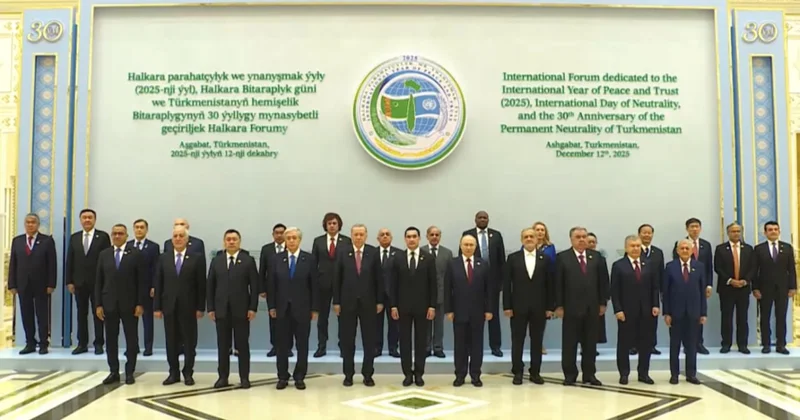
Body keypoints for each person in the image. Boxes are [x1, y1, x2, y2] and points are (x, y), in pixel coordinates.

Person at [555, 226, 609, 386]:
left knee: (590, 344)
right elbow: (557, 283)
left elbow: (604, 282)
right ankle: (570, 375)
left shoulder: (597, 257)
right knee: (569, 344)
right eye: (578, 237)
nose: (581, 240)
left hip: (592, 308)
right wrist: (559, 306)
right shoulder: (562, 257)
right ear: (571, 239)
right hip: (570, 308)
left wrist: (603, 303)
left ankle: (589, 374)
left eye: (584, 237)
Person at [153, 225, 206, 386]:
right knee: (171, 341)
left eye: (181, 236)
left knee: (189, 341)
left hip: (189, 307)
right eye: (175, 236)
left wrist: (200, 307)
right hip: (169, 306)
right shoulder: (163, 258)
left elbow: (201, 284)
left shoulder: (196, 258)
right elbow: (158, 283)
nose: (178, 239)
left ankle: (188, 372)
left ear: (187, 239)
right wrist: (157, 307)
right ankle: (173, 372)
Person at [268, 227, 319, 390]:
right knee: (281, 345)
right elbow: (271, 285)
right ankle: (282, 376)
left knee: (302, 345)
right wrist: (272, 306)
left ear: (299, 240)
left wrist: (314, 308)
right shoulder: (276, 259)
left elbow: (314, 285)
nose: (291, 241)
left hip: (303, 309)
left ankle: (299, 376)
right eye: (288, 238)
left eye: (294, 238)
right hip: (282, 309)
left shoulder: (309, 259)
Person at [207, 229, 259, 389]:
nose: (231, 242)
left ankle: (244, 377)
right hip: (221, 310)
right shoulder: (217, 261)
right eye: (228, 239)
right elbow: (210, 286)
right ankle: (223, 377)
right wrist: (211, 308)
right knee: (223, 346)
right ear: (224, 242)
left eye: (234, 239)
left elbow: (254, 287)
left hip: (242, 311)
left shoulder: (248, 260)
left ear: (239, 241)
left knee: (242, 345)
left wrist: (253, 308)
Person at [95, 224, 146, 385]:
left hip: (130, 305)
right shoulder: (104, 254)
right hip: (109, 304)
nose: (117, 236)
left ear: (126, 236)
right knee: (111, 339)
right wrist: (98, 304)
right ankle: (113, 371)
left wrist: (140, 303)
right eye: (115, 233)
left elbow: (142, 281)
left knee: (131, 339)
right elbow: (99, 281)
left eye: (120, 233)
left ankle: (130, 372)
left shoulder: (135, 254)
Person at [333, 224, 383, 387]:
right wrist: (336, 302)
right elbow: (337, 279)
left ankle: (368, 374)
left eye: (361, 234)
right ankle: (348, 374)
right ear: (351, 235)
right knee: (347, 341)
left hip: (369, 303)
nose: (359, 237)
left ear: (366, 235)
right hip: (347, 303)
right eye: (356, 234)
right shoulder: (342, 252)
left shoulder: (373, 252)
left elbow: (379, 278)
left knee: (369, 341)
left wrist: (380, 301)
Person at [388, 227, 437, 387]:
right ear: (405, 239)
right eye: (408, 237)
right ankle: (407, 374)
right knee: (405, 342)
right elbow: (392, 284)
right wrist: (393, 306)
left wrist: (432, 306)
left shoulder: (428, 258)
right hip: (403, 308)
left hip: (423, 308)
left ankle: (419, 373)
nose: (411, 239)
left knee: (421, 341)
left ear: (419, 238)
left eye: (414, 236)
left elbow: (433, 284)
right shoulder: (398, 258)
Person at [504, 227, 553, 385]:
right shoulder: (513, 258)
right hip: (518, 307)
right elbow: (507, 284)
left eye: (532, 236)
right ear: (521, 240)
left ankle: (535, 372)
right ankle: (517, 371)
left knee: (537, 341)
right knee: (517, 340)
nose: (529, 239)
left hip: (539, 307)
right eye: (526, 236)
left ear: (537, 239)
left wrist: (550, 307)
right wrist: (507, 306)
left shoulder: (545, 259)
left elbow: (550, 284)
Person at [610, 235, 659, 385]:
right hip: (626, 312)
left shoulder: (649, 264)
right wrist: (618, 309)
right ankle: (624, 373)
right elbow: (614, 290)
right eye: (632, 246)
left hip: (646, 311)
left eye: (638, 246)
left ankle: (643, 373)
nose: (636, 248)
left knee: (646, 343)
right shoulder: (619, 265)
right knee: (624, 344)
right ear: (626, 248)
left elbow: (654, 287)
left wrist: (655, 305)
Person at [444, 235, 492, 387]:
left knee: (477, 345)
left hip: (478, 312)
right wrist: (449, 310)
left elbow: (489, 290)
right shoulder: (452, 264)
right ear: (460, 246)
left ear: (475, 246)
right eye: (466, 244)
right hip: (459, 312)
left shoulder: (483, 264)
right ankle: (460, 375)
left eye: (471, 245)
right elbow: (447, 289)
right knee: (460, 346)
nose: (469, 247)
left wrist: (489, 310)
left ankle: (475, 375)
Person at [8, 213, 56, 354]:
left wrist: (51, 284)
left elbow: (52, 264)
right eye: (28, 222)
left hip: (42, 284)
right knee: (26, 314)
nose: (30, 224)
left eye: (33, 222)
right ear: (24, 224)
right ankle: (30, 342)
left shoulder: (47, 241)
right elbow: (13, 263)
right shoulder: (17, 241)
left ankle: (43, 343)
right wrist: (12, 284)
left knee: (42, 314)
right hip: (23, 284)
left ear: (38, 224)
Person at [66, 208, 111, 355]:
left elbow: (108, 260)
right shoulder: (74, 237)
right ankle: (82, 344)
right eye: (84, 217)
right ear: (80, 220)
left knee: (98, 313)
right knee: (81, 314)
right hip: (79, 283)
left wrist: (107, 281)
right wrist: (69, 281)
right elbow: (70, 260)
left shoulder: (102, 237)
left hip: (98, 283)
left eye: (90, 217)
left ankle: (99, 343)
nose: (87, 220)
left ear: (94, 220)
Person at [663, 239, 707, 385]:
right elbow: (666, 292)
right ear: (677, 250)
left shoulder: (699, 266)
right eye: (681, 248)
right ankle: (674, 374)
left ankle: (691, 374)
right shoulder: (670, 267)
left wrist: (703, 313)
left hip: (694, 313)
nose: (684, 251)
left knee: (692, 346)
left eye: (687, 248)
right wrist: (667, 313)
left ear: (692, 250)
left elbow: (702, 292)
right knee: (675, 345)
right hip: (675, 313)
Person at [462, 211, 506, 357]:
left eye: (485, 218)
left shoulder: (496, 235)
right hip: (474, 282)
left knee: (494, 315)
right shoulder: (467, 234)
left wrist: (501, 282)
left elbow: (501, 260)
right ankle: (470, 347)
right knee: (472, 316)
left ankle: (495, 346)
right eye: (480, 218)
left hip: (493, 283)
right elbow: (463, 258)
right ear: (475, 220)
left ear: (488, 220)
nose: (482, 220)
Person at [753, 221, 796, 354]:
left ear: (779, 231)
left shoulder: (787, 248)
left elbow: (791, 269)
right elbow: (755, 270)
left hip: (783, 288)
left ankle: (781, 345)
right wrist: (755, 288)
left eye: (776, 229)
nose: (773, 232)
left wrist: (793, 287)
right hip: (764, 288)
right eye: (770, 229)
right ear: (765, 232)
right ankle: (766, 344)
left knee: (781, 317)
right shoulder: (759, 249)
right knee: (765, 317)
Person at [310, 212, 350, 358]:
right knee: (322, 318)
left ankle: (343, 347)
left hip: (342, 284)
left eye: (334, 223)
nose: (332, 226)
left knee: (343, 318)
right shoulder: (318, 241)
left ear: (339, 225)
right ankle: (321, 346)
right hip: (323, 283)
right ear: (325, 225)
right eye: (329, 223)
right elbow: (313, 264)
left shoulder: (347, 241)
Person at [672, 217, 713, 355]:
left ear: (700, 228)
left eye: (697, 226)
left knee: (699, 315)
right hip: (684, 286)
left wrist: (709, 285)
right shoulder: (680, 244)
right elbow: (676, 266)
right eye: (692, 227)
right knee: (685, 317)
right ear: (687, 229)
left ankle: (698, 343)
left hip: (699, 287)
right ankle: (687, 344)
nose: (695, 229)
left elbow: (709, 267)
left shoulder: (706, 245)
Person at [714, 222, 754, 354]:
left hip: (743, 288)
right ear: (728, 233)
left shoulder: (748, 249)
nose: (736, 233)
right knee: (726, 317)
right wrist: (731, 280)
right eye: (733, 231)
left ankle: (742, 345)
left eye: (738, 231)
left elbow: (753, 267)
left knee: (742, 318)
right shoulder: (720, 249)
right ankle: (726, 344)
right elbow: (718, 267)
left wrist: (745, 280)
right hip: (727, 288)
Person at [259, 223, 292, 358]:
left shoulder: (291, 247)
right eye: (276, 233)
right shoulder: (266, 249)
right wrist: (262, 288)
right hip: (272, 289)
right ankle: (275, 346)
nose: (279, 235)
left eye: (281, 233)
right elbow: (262, 270)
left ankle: (288, 347)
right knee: (273, 319)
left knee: (289, 319)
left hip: (288, 290)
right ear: (273, 235)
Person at [128, 219, 160, 356]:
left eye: (142, 227)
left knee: (147, 320)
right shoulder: (128, 245)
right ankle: (133, 347)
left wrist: (154, 285)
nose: (139, 229)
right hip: (130, 289)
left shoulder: (153, 247)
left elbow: (156, 268)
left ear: (146, 230)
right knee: (131, 320)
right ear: (133, 229)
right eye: (137, 227)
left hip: (147, 288)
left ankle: (148, 347)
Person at [421, 226, 453, 358]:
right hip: (424, 294)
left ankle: (438, 347)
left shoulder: (447, 253)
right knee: (426, 323)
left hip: (441, 293)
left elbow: (450, 275)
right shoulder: (421, 251)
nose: (434, 237)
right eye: (432, 234)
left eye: (437, 235)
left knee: (439, 323)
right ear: (427, 236)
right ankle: (426, 347)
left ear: (440, 236)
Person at [637, 224, 665, 355]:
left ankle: (651, 345)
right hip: (637, 290)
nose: (647, 235)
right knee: (637, 319)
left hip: (653, 291)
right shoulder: (635, 249)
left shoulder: (658, 252)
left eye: (649, 233)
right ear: (639, 234)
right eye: (644, 232)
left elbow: (661, 271)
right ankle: (635, 345)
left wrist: (662, 291)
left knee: (652, 320)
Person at [375, 228, 401, 358]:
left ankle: (393, 348)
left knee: (394, 324)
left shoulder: (399, 254)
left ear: (391, 238)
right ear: (377, 238)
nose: (385, 236)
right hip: (376, 295)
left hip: (394, 295)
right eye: (382, 235)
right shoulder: (372, 253)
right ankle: (377, 348)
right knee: (376, 324)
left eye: (387, 234)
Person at [533, 221, 556, 355]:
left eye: (542, 230)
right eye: (537, 229)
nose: (540, 232)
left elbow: (553, 264)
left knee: (541, 317)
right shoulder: (526, 245)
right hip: (529, 285)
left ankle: (539, 344)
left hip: (545, 284)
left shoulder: (550, 247)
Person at [586, 232, 608, 355]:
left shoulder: (600, 259)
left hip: (596, 299)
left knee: (595, 326)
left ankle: (592, 348)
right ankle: (583, 348)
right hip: (579, 300)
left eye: (593, 242)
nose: (591, 244)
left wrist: (603, 301)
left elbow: (604, 280)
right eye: (589, 242)